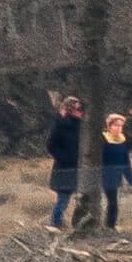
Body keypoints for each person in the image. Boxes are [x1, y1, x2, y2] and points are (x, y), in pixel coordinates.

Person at [46, 94, 83, 231]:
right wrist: (64, 158)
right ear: (69, 110)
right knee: (63, 199)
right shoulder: (61, 124)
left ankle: (80, 224)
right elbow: (50, 145)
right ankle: (55, 224)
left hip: (80, 168)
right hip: (64, 168)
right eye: (77, 109)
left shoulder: (83, 127)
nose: (80, 112)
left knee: (83, 198)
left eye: (80, 109)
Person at [99, 113, 132, 228]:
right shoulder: (103, 139)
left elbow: (125, 161)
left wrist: (130, 178)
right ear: (109, 126)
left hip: (116, 176)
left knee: (113, 203)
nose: (118, 128)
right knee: (106, 201)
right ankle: (103, 225)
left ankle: (110, 226)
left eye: (121, 126)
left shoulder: (123, 141)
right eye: (116, 125)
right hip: (104, 174)